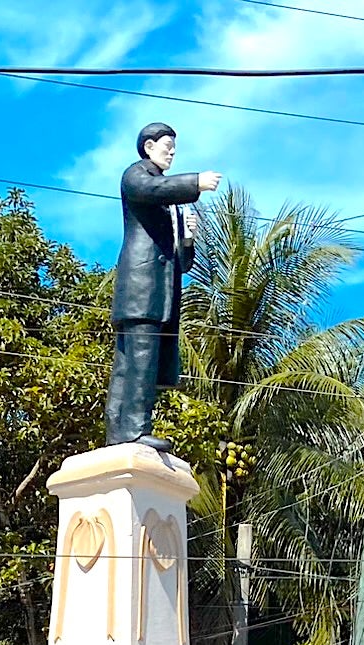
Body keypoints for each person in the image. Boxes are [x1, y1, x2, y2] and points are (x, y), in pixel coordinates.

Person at [106, 122, 222, 449]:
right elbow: (152, 189)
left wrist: (188, 239)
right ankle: (133, 430)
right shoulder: (136, 175)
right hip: (140, 287)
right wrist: (195, 183)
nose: (172, 153)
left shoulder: (168, 205)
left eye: (173, 148)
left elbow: (182, 264)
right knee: (138, 361)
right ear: (149, 147)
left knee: (132, 364)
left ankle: (119, 431)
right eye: (167, 146)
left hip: (158, 294)